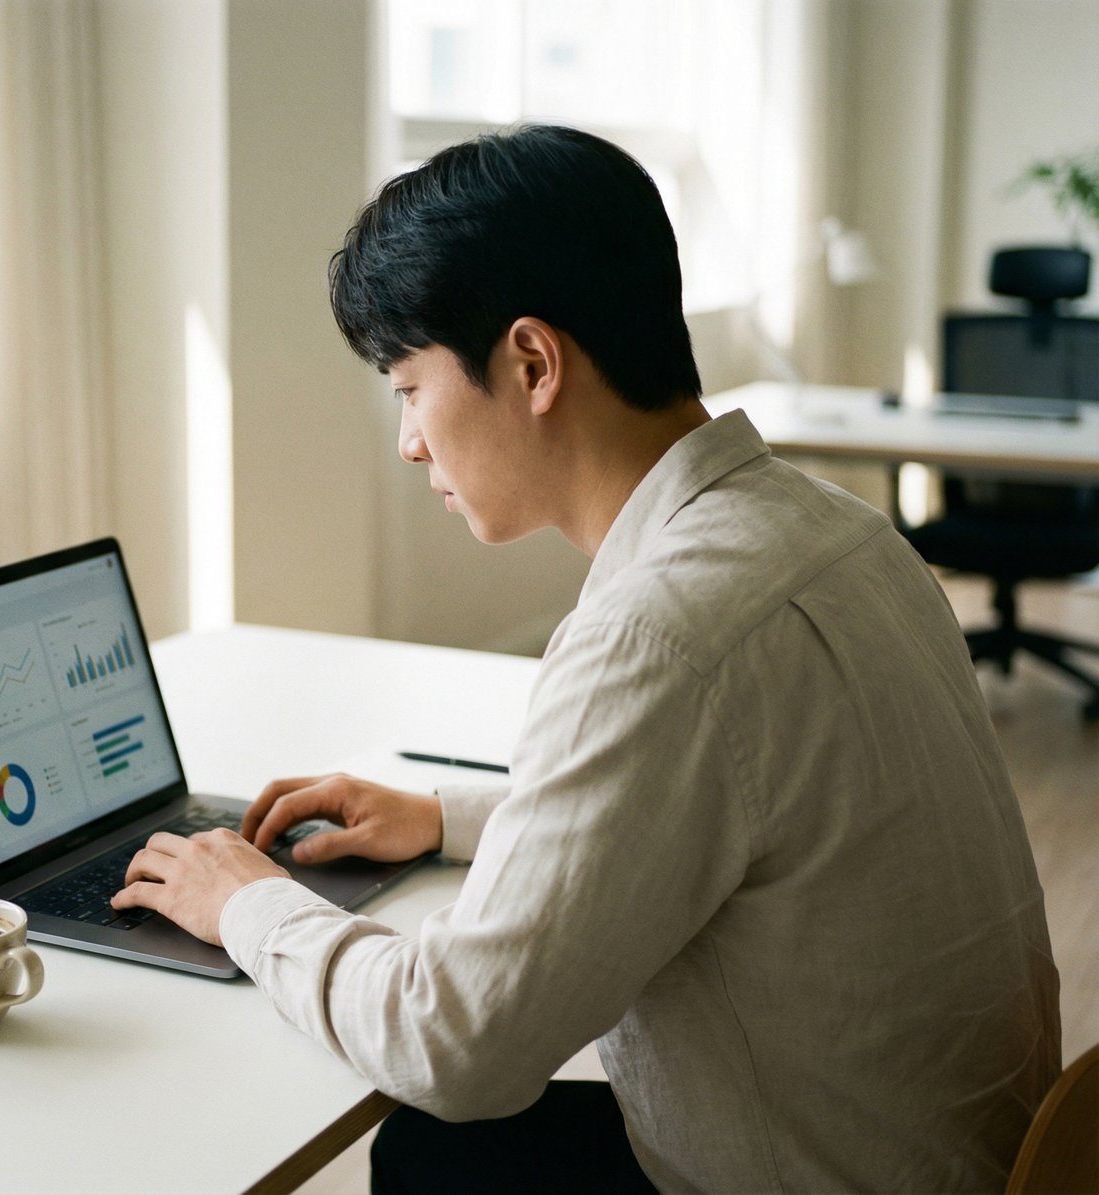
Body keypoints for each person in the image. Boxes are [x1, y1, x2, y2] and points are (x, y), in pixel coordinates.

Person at [111, 124, 1061, 1192]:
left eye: (409, 387)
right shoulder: (836, 529)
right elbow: (738, 807)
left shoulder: (659, 632)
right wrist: (445, 815)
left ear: (530, 362)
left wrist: (244, 899)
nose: (409, 442)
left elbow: (454, 1045)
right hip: (966, 1158)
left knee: (438, 1141)